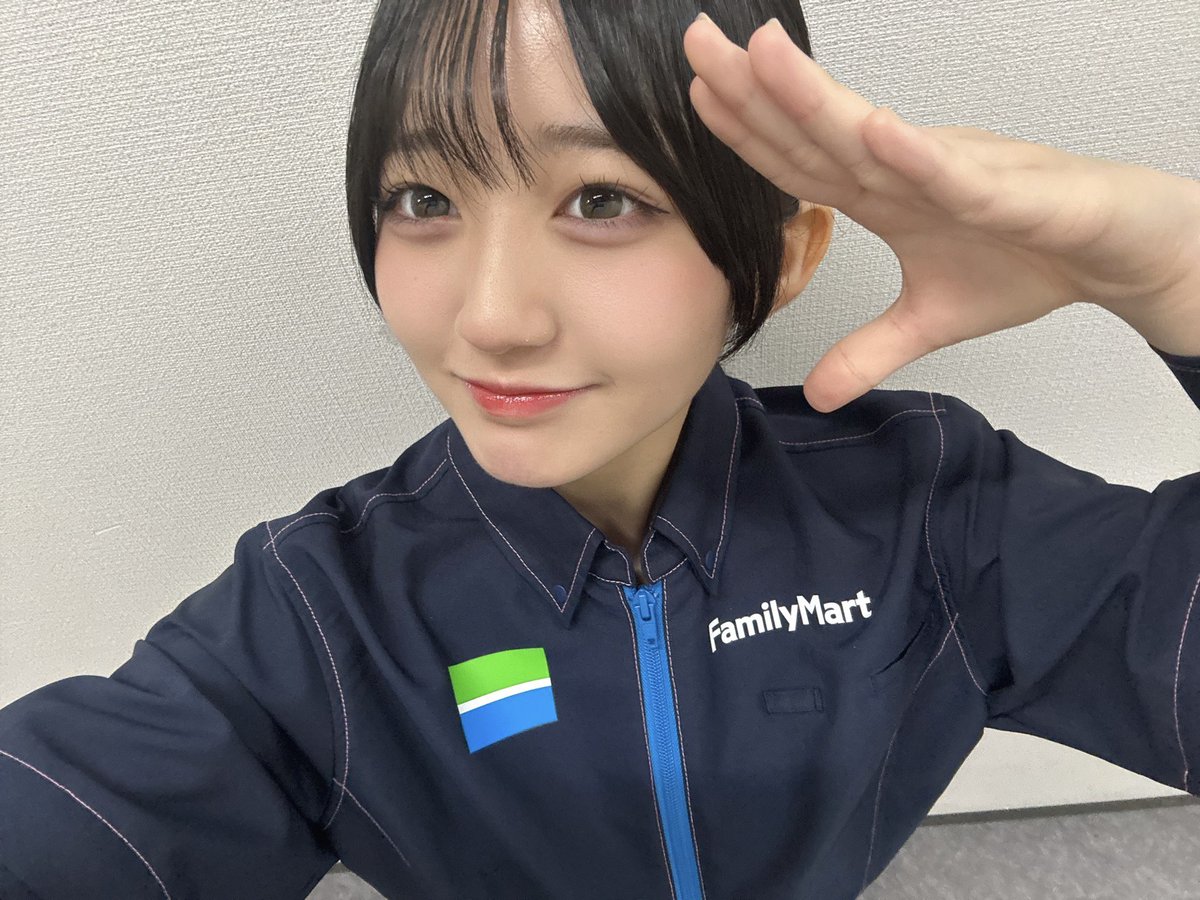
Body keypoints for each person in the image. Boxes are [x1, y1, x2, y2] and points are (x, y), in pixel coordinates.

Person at [2, 1, 1197, 897]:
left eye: (602, 200)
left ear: (784, 254)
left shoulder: (927, 506)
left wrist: (1180, 273)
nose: (491, 318)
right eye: (424, 199)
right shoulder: (321, 609)